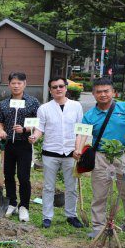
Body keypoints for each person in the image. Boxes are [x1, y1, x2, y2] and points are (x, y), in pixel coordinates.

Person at [74, 77, 125, 238]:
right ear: (93, 94)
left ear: (113, 92)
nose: (103, 94)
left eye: (106, 91)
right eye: (99, 92)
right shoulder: (90, 115)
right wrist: (77, 149)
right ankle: (98, 227)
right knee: (99, 193)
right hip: (100, 157)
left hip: (124, 156)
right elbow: (82, 134)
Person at [29, 76, 84, 228]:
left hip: (70, 153)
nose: (58, 89)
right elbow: (40, 128)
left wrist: (78, 149)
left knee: (71, 187)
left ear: (66, 88)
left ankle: (71, 215)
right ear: (50, 90)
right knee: (48, 187)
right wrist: (35, 136)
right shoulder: (44, 108)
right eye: (54, 87)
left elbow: (80, 130)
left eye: (61, 86)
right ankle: (47, 217)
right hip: (50, 153)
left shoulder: (76, 106)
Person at [0, 72, 40, 222]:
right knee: (8, 175)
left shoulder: (33, 102)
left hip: (24, 144)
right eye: (13, 83)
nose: (16, 86)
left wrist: (26, 129)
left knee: (23, 176)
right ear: (9, 85)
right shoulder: (4, 103)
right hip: (8, 144)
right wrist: (0, 130)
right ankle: (12, 202)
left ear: (25, 84)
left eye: (19, 83)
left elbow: (38, 122)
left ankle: (24, 206)